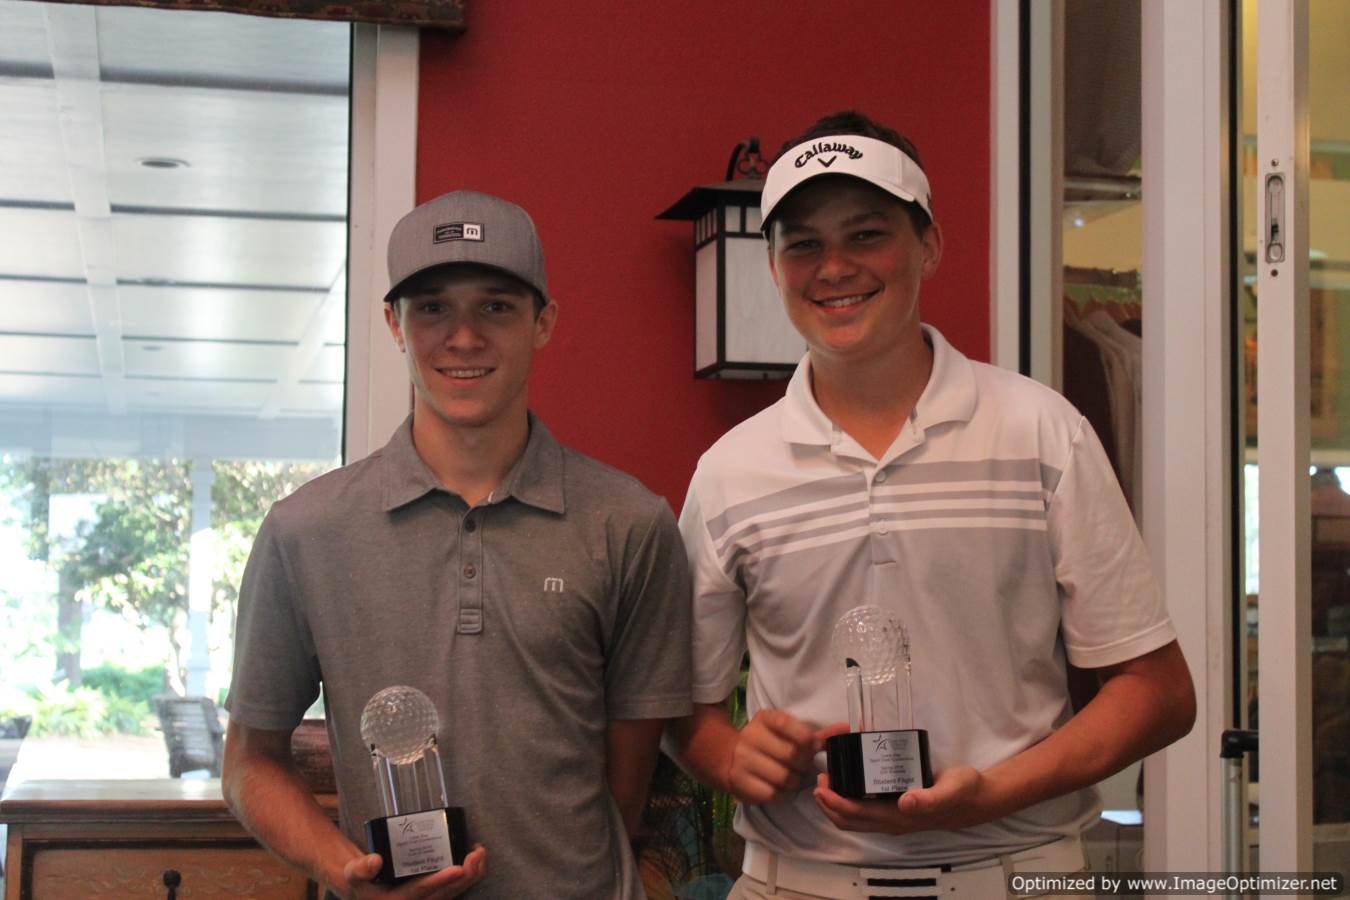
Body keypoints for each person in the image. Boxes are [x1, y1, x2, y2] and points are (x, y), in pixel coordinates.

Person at [670, 112, 1196, 898]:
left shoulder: (1042, 432)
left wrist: (993, 792)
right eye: (803, 243)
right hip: (797, 883)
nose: (834, 267)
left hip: (1016, 874)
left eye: (867, 234)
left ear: (929, 246)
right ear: (773, 266)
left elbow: (1157, 691)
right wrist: (728, 756)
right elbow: (684, 708)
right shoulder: (729, 472)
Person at [222, 190, 692, 899]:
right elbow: (249, 762)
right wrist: (340, 868)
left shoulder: (629, 522)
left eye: (497, 306)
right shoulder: (304, 531)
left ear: (543, 322)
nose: (464, 337)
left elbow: (624, 781)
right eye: (433, 307)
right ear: (394, 323)